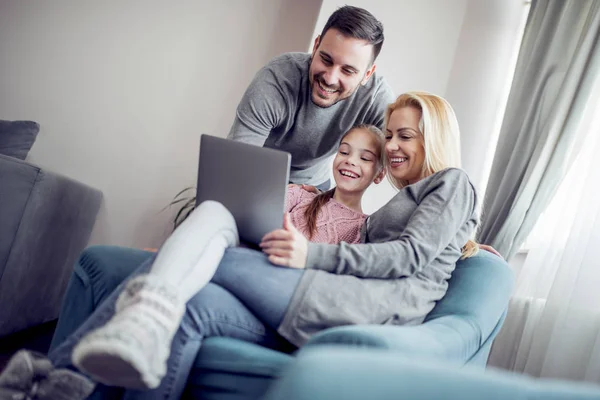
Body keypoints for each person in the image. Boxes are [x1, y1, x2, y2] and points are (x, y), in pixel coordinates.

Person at [0, 91, 480, 400]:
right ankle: (63, 384)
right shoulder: (411, 200)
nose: (394, 145)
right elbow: (428, 247)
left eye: (405, 137)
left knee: (215, 249)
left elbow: (411, 256)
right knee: (194, 298)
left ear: (433, 138)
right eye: (390, 134)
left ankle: (50, 376)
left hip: (350, 306)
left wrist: (310, 253)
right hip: (337, 295)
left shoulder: (453, 183)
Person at [228, 5, 394, 190]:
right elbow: (237, 162)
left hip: (315, 185)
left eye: (347, 70)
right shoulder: (276, 79)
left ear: (367, 74)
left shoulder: (376, 98)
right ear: (315, 47)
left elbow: (410, 162)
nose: (330, 79)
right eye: (326, 60)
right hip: (257, 174)